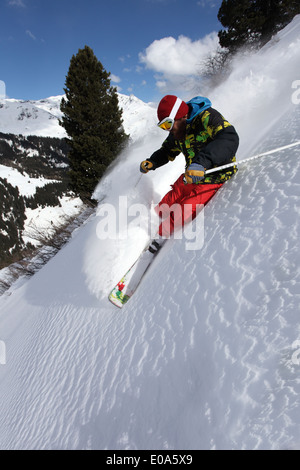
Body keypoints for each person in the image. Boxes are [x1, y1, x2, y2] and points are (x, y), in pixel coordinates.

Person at [140, 95, 239, 253]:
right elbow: (167, 150)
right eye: (163, 126)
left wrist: (202, 162)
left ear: (183, 116)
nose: (168, 130)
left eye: (168, 124)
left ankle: (158, 239)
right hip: (191, 175)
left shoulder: (207, 117)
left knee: (184, 210)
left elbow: (229, 138)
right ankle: (154, 220)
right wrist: (153, 161)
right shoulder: (177, 131)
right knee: (169, 201)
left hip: (214, 175)